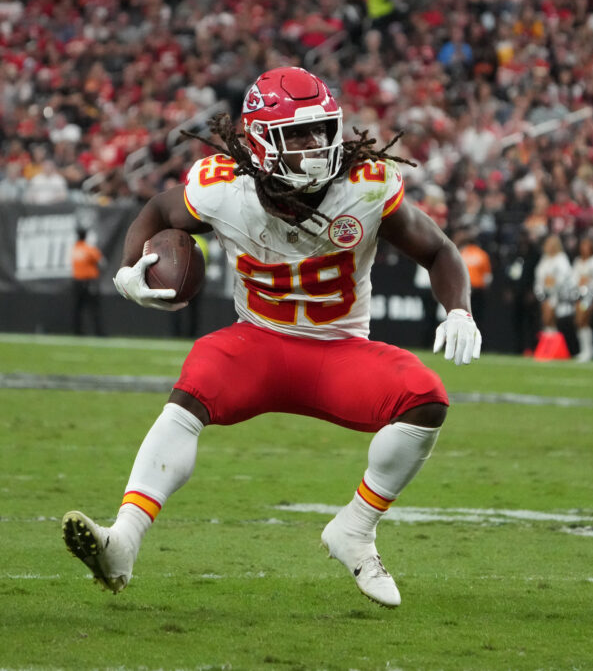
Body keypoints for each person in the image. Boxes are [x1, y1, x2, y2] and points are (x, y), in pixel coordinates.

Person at [62, 67, 482, 608]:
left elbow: (440, 250)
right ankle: (122, 541)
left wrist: (459, 311)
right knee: (197, 380)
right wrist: (128, 270)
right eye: (296, 134)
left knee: (426, 399)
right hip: (258, 342)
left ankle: (354, 529)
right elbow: (158, 211)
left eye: (321, 130)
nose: (315, 146)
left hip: (340, 350)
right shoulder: (222, 189)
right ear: (260, 139)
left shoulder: (366, 185)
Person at [569, 236, 593, 362]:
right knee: (579, 321)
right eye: (582, 245)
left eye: (586, 245)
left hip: (592, 297)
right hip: (579, 296)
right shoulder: (578, 261)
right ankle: (586, 349)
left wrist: (588, 282)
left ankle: (588, 350)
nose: (584, 248)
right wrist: (578, 284)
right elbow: (573, 279)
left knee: (583, 319)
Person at [533, 233, 572, 357]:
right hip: (545, 294)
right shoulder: (545, 259)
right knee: (547, 320)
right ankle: (548, 347)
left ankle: (552, 346)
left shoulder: (561, 259)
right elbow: (538, 277)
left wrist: (554, 284)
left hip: (557, 295)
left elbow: (565, 277)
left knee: (550, 318)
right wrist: (541, 291)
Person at [71, 226, 105, 336]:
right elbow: (102, 262)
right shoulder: (89, 249)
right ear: (86, 236)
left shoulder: (75, 248)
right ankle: (98, 333)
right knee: (94, 309)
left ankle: (78, 332)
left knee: (78, 308)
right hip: (89, 282)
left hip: (77, 281)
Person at [453, 226, 492, 325]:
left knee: (463, 317)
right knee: (477, 318)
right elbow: (487, 277)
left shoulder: (461, 253)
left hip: (464, 291)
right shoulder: (482, 254)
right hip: (478, 290)